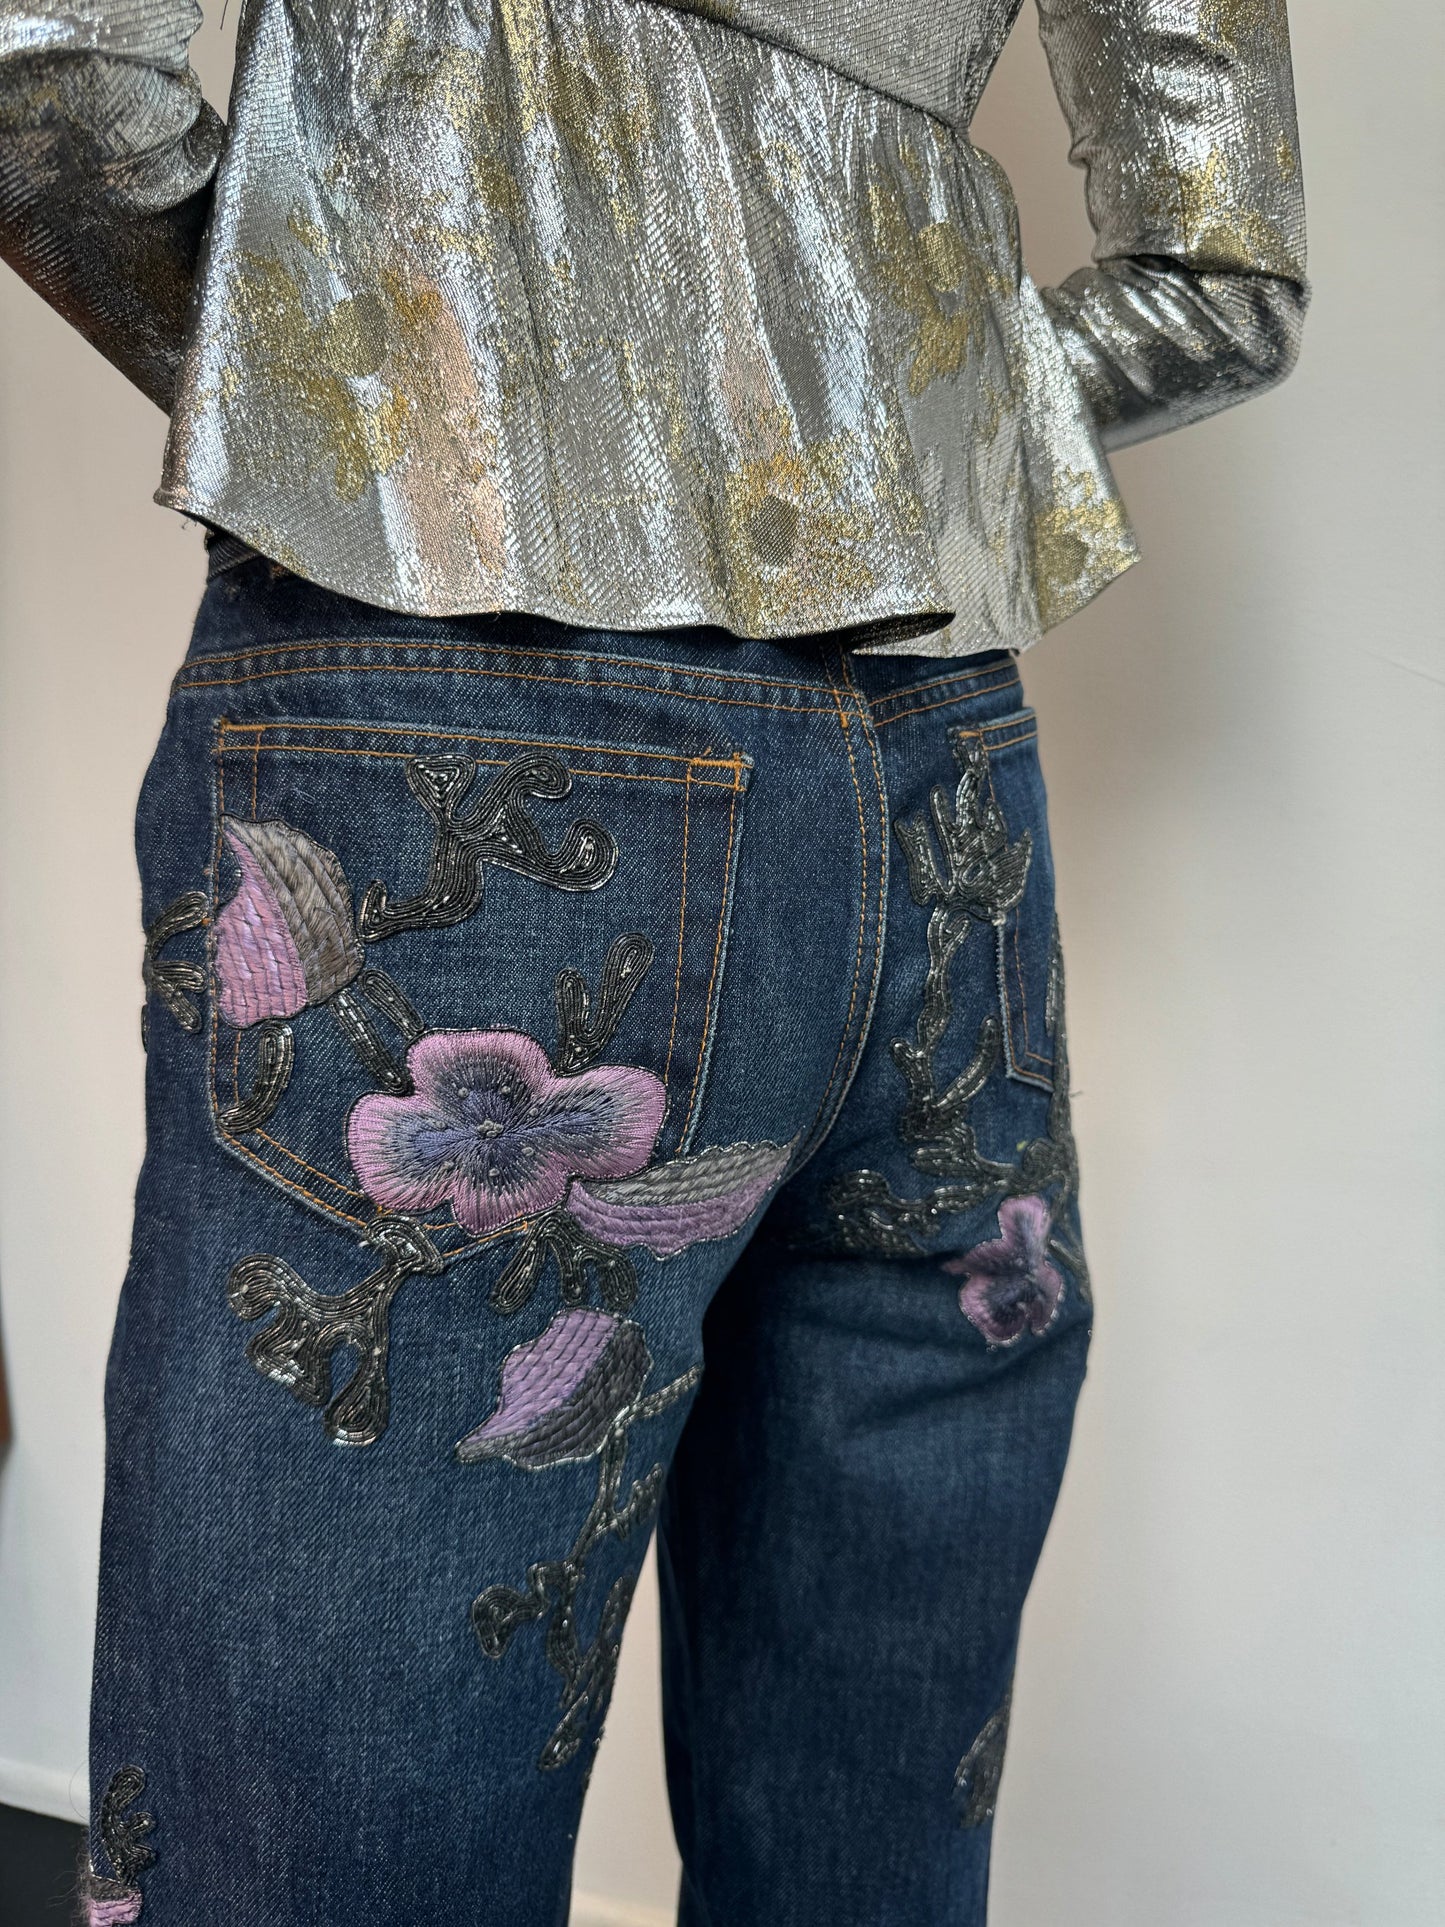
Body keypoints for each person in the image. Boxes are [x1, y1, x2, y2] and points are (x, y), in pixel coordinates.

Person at [0, 1, 1307, 1920]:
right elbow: (1217, 267)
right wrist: (858, 435)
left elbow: (49, 75)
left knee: (326, 1831)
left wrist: (387, 391)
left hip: (452, 698)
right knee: (871, 1790)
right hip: (934, 760)